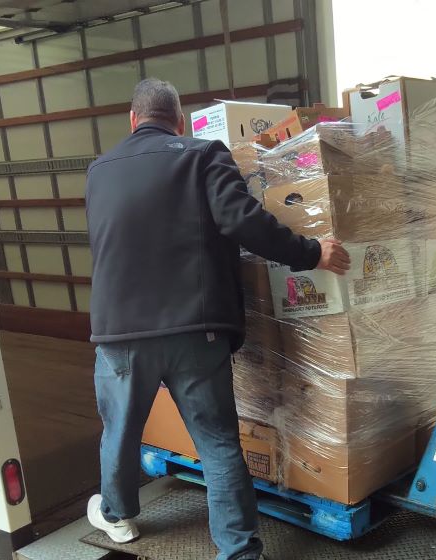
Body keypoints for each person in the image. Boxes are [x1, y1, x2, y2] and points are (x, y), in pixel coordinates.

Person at [84, 78, 351, 560]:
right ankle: (240, 552)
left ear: (132, 120)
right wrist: (311, 253)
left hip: (120, 331)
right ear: (179, 121)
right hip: (195, 327)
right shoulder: (202, 154)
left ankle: (118, 514)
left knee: (119, 431)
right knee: (218, 443)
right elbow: (241, 220)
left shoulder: (99, 170)